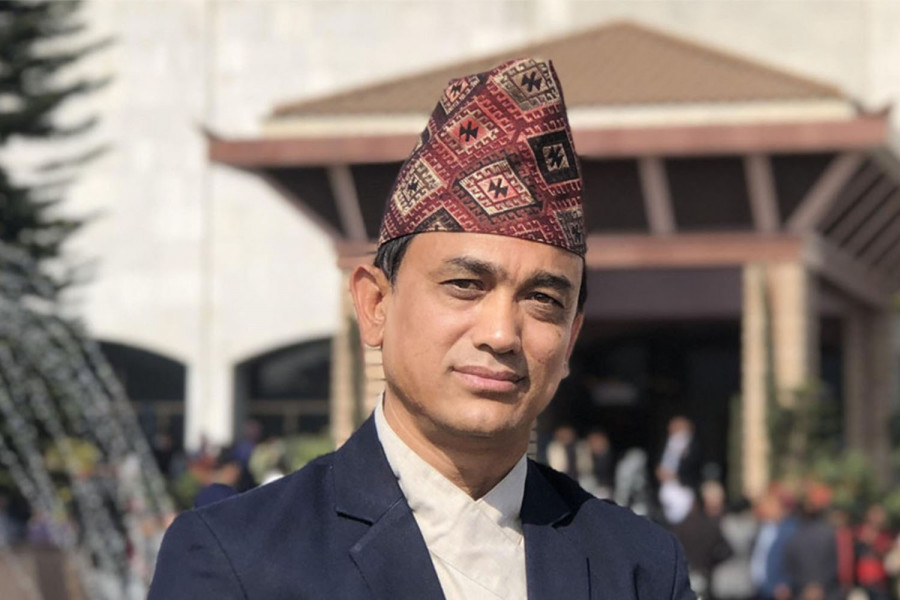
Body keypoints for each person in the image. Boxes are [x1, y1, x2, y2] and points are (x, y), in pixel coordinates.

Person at [149, 58, 694, 599]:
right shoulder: (239, 558)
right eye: (465, 285)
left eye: (542, 299)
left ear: (571, 339)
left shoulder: (639, 568)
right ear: (375, 305)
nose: (501, 334)